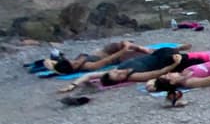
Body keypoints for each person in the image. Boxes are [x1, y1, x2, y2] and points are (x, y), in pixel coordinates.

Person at [58, 47, 210, 92]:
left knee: (170, 52)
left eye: (115, 72)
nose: (118, 72)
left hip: (158, 54)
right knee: (196, 60)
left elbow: (89, 76)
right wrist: (173, 65)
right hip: (166, 61)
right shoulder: (134, 76)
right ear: (121, 81)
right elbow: (156, 73)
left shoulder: (119, 68)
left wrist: (73, 85)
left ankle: (178, 50)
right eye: (118, 76)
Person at [44, 41, 188, 75]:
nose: (75, 61)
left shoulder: (79, 62)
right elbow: (106, 61)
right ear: (74, 68)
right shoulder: (88, 66)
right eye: (74, 63)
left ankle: (146, 49)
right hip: (112, 56)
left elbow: (82, 55)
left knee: (133, 47)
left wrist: (78, 60)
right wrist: (123, 51)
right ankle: (151, 49)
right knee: (142, 53)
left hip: (107, 50)